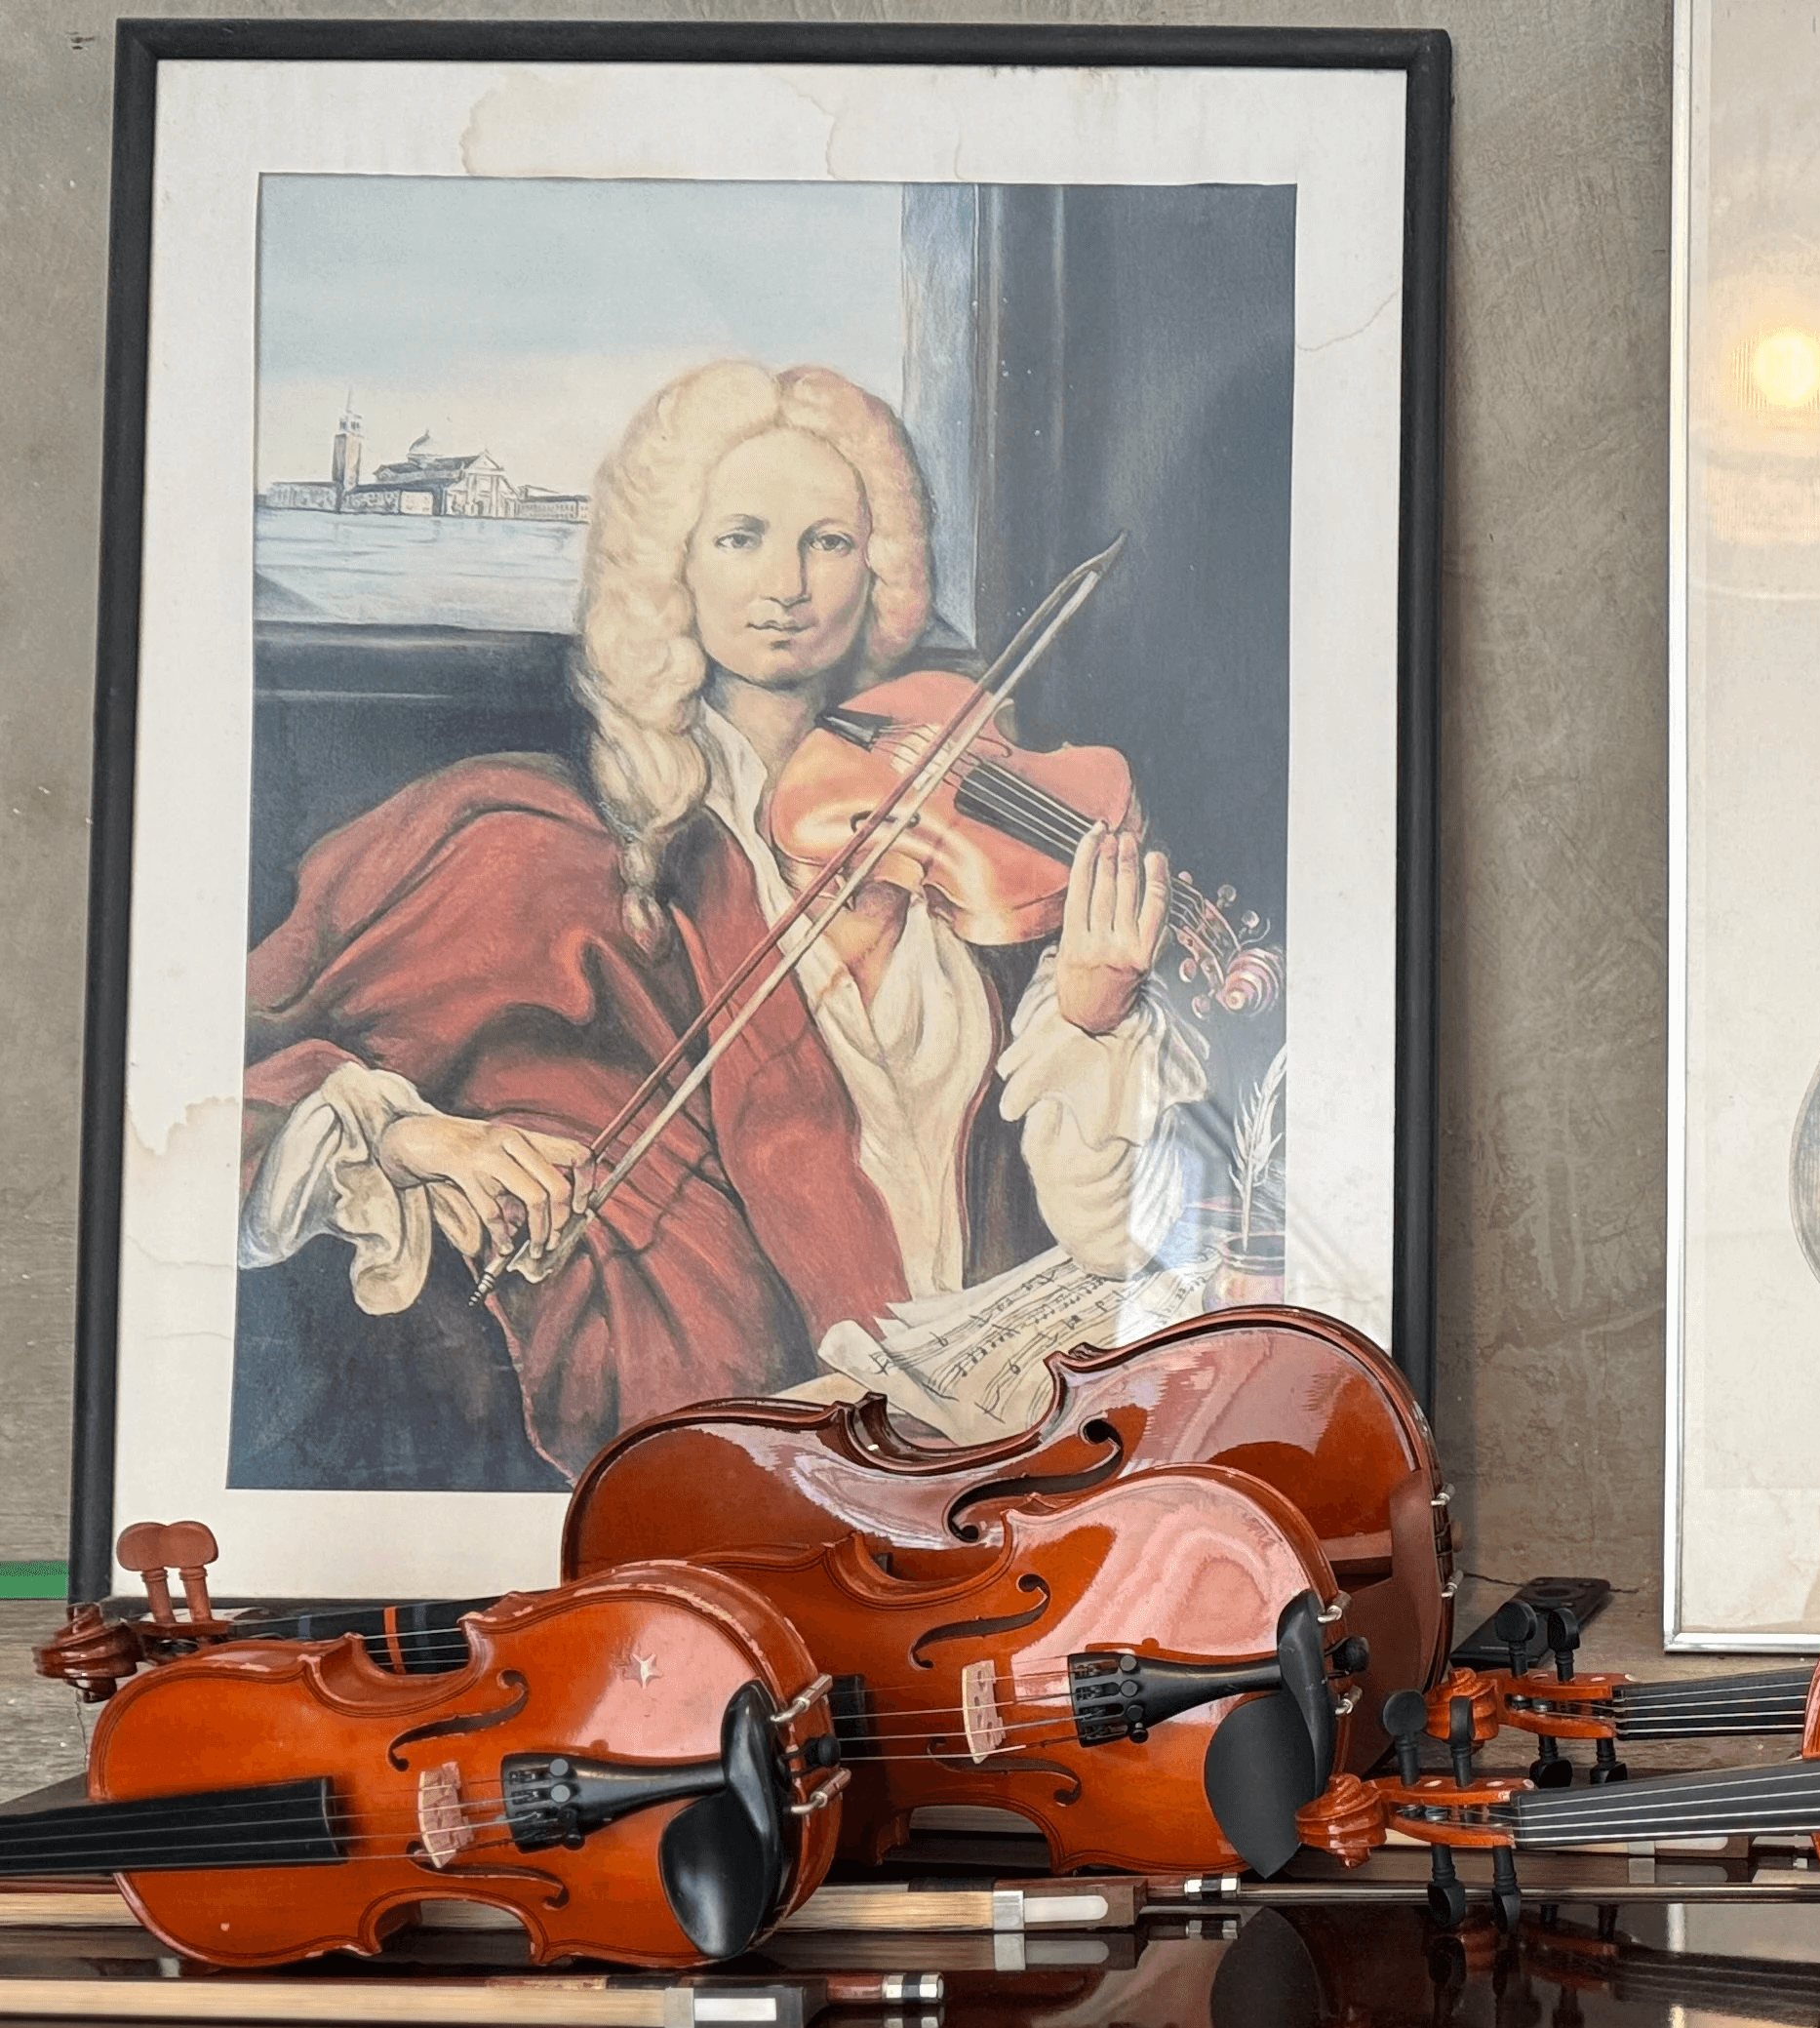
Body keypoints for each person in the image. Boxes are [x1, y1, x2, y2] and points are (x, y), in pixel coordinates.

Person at [239, 359, 1202, 1483]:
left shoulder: (967, 857)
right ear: (673, 570)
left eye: (828, 541)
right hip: (768, 1461)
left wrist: (1089, 1016)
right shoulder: (547, 844)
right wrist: (421, 1137)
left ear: (879, 566)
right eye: (740, 537)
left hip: (993, 1452)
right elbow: (229, 1099)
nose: (786, 584)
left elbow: (1112, 1241)